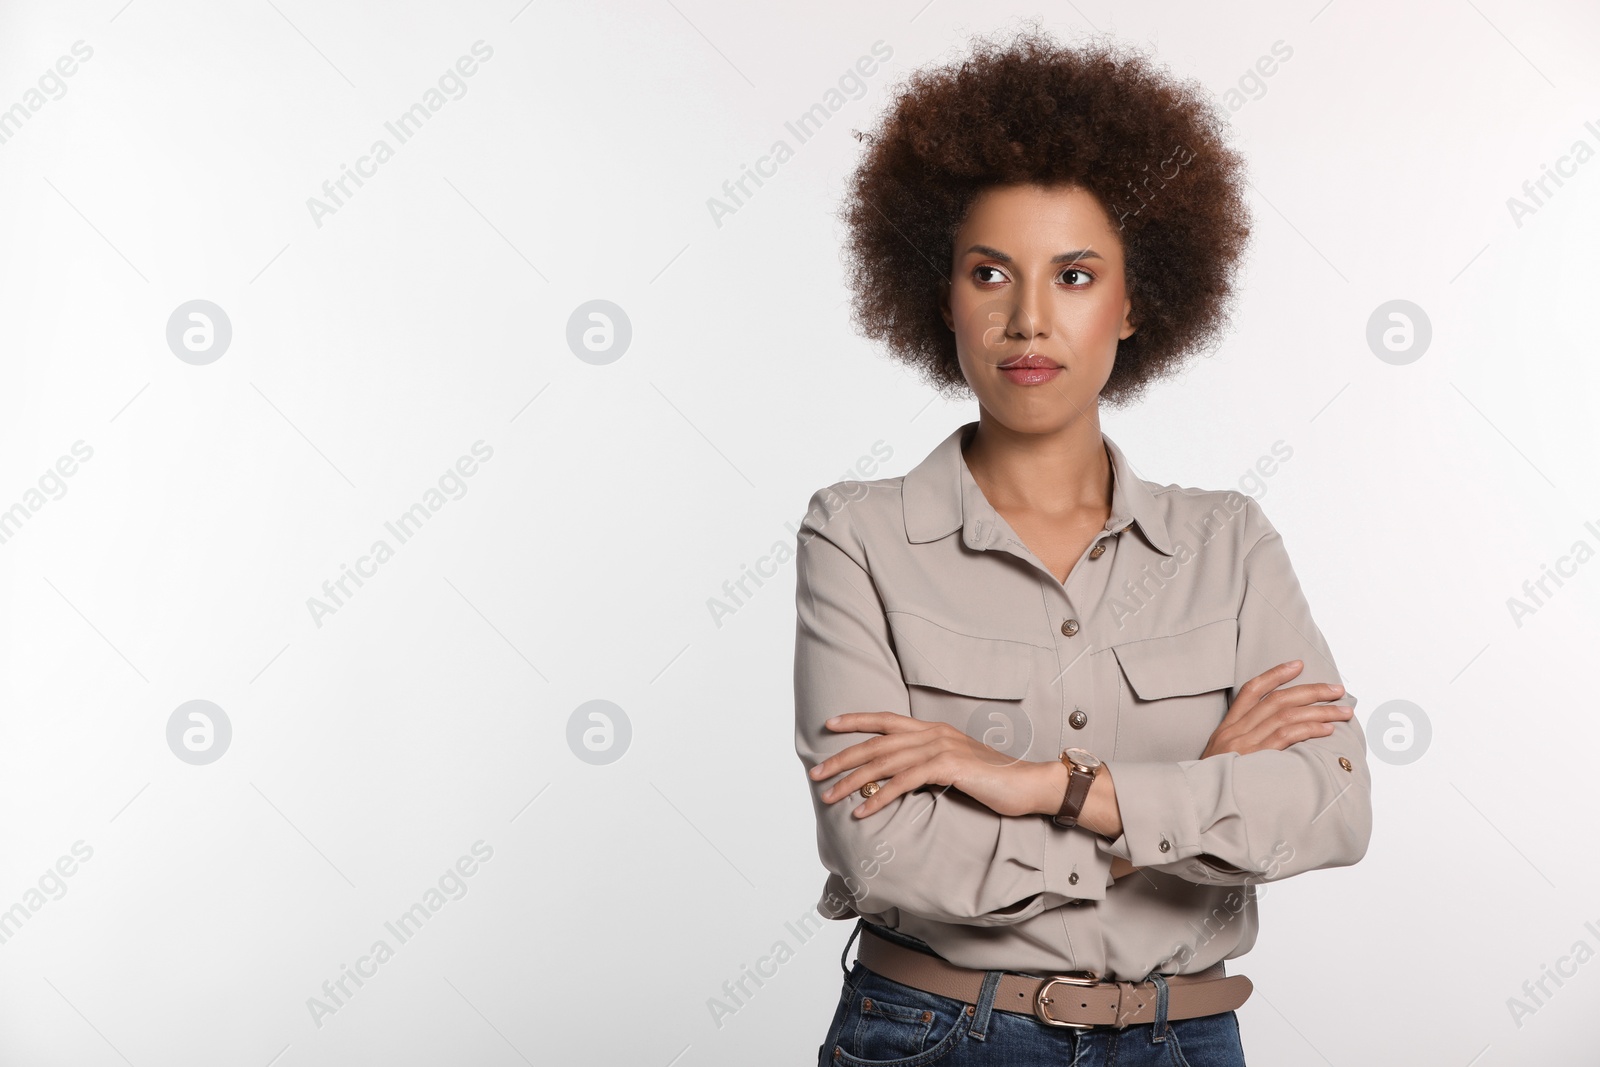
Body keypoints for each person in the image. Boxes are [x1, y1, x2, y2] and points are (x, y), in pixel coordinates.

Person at [792, 23, 1372, 1067]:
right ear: (940, 293)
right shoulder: (856, 533)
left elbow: (1328, 805)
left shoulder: (1226, 542)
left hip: (1183, 1037)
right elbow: (881, 851)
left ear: (1134, 300)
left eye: (1071, 274)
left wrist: (1042, 784)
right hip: (934, 1035)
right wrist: (1181, 801)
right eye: (987, 273)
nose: (1026, 321)